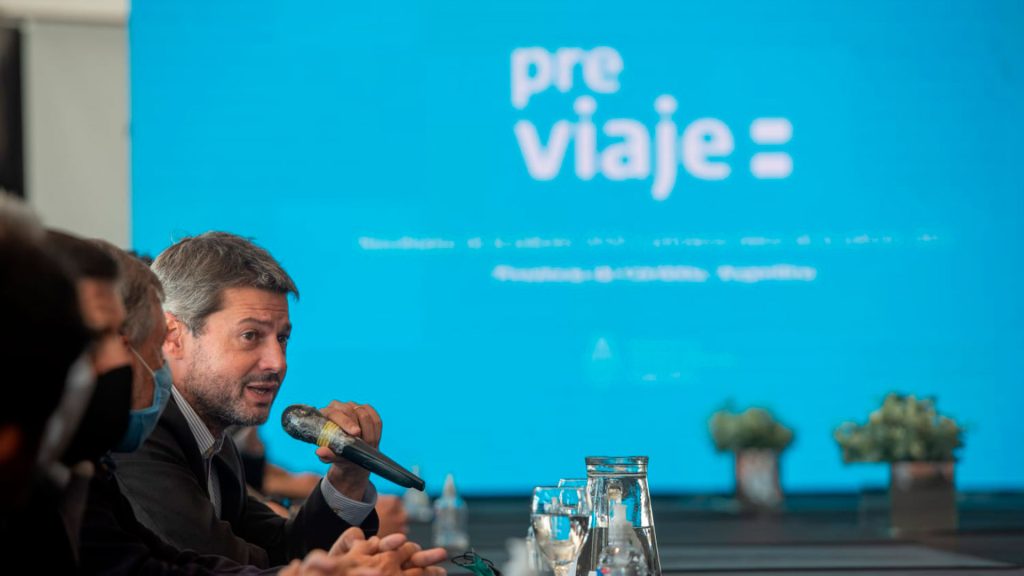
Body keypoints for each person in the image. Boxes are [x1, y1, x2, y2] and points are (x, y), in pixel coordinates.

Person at [115, 232, 394, 567]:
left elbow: (287, 550)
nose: (278, 362)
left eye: (282, 338)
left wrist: (348, 476)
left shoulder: (214, 440)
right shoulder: (139, 438)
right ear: (173, 337)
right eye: (250, 335)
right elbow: (226, 568)